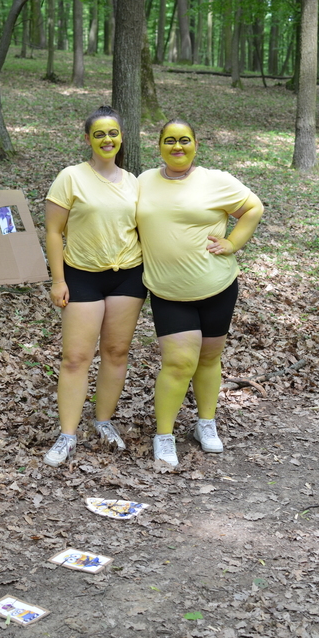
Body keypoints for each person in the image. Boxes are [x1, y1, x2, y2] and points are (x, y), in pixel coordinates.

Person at [137, 119, 264, 466]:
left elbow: (253, 208)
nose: (177, 146)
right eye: (169, 140)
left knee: (208, 359)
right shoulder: (143, 182)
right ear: (159, 146)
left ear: (196, 144)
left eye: (184, 140)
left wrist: (233, 242)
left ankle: (205, 423)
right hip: (168, 291)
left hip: (217, 286)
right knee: (178, 363)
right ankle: (164, 436)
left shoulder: (215, 180)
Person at [43, 106, 147, 467]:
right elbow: (53, 231)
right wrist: (58, 280)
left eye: (113, 133)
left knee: (116, 352)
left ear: (122, 137)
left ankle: (103, 421)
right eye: (99, 134)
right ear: (88, 139)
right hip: (82, 275)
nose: (107, 139)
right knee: (76, 358)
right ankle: (67, 435)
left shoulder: (135, 182)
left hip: (128, 276)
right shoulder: (71, 177)